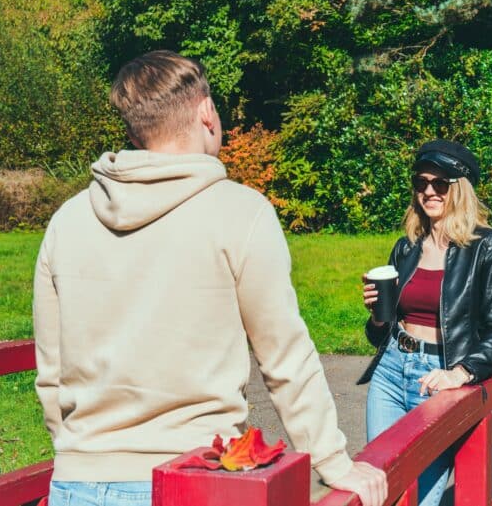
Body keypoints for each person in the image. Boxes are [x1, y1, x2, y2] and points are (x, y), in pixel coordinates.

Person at [33, 50, 387, 506]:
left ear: (134, 130)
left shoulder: (69, 219)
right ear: (206, 112)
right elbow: (286, 359)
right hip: (196, 479)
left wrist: (79, 454)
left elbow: (51, 372)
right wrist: (333, 462)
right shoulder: (241, 212)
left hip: (78, 482)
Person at [359, 140, 492, 506]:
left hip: (438, 377)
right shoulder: (406, 246)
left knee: (423, 498)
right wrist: (378, 315)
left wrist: (461, 373)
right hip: (391, 370)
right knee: (381, 489)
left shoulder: (487, 247)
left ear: (460, 189)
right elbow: (379, 333)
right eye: (421, 182)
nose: (428, 191)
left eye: (440, 183)